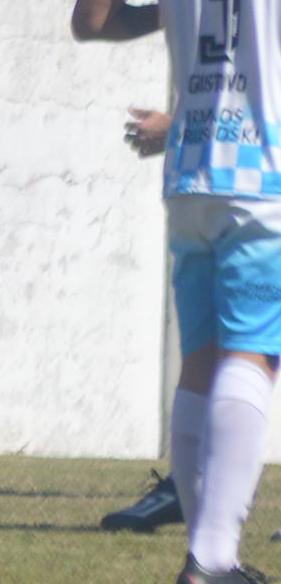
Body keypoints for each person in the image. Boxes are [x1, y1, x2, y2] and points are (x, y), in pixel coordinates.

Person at [72, 0, 281, 584]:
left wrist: (177, 13)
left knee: (201, 358)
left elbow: (91, 17)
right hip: (264, 170)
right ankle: (212, 557)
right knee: (255, 355)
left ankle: (209, 554)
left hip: (190, 161)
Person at [102, 104, 188, 532]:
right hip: (224, 188)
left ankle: (187, 489)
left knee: (232, 354)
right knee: (214, 352)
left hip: (253, 197)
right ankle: (187, 487)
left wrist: (178, 125)